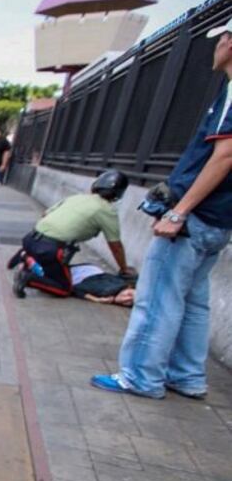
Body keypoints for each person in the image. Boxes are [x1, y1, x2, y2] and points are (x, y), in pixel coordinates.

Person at [91, 21, 232, 401]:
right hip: (218, 220)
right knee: (193, 301)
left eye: (222, 38)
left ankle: (140, 377)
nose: (217, 46)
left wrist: (179, 211)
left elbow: (225, 155)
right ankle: (187, 376)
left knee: (158, 300)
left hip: (195, 218)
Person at [12, 170, 135, 298]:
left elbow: (45, 215)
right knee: (64, 288)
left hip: (30, 239)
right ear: (119, 194)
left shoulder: (76, 197)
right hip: (49, 250)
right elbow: (116, 246)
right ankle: (28, 278)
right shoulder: (107, 211)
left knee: (57, 263)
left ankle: (26, 257)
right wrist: (124, 268)